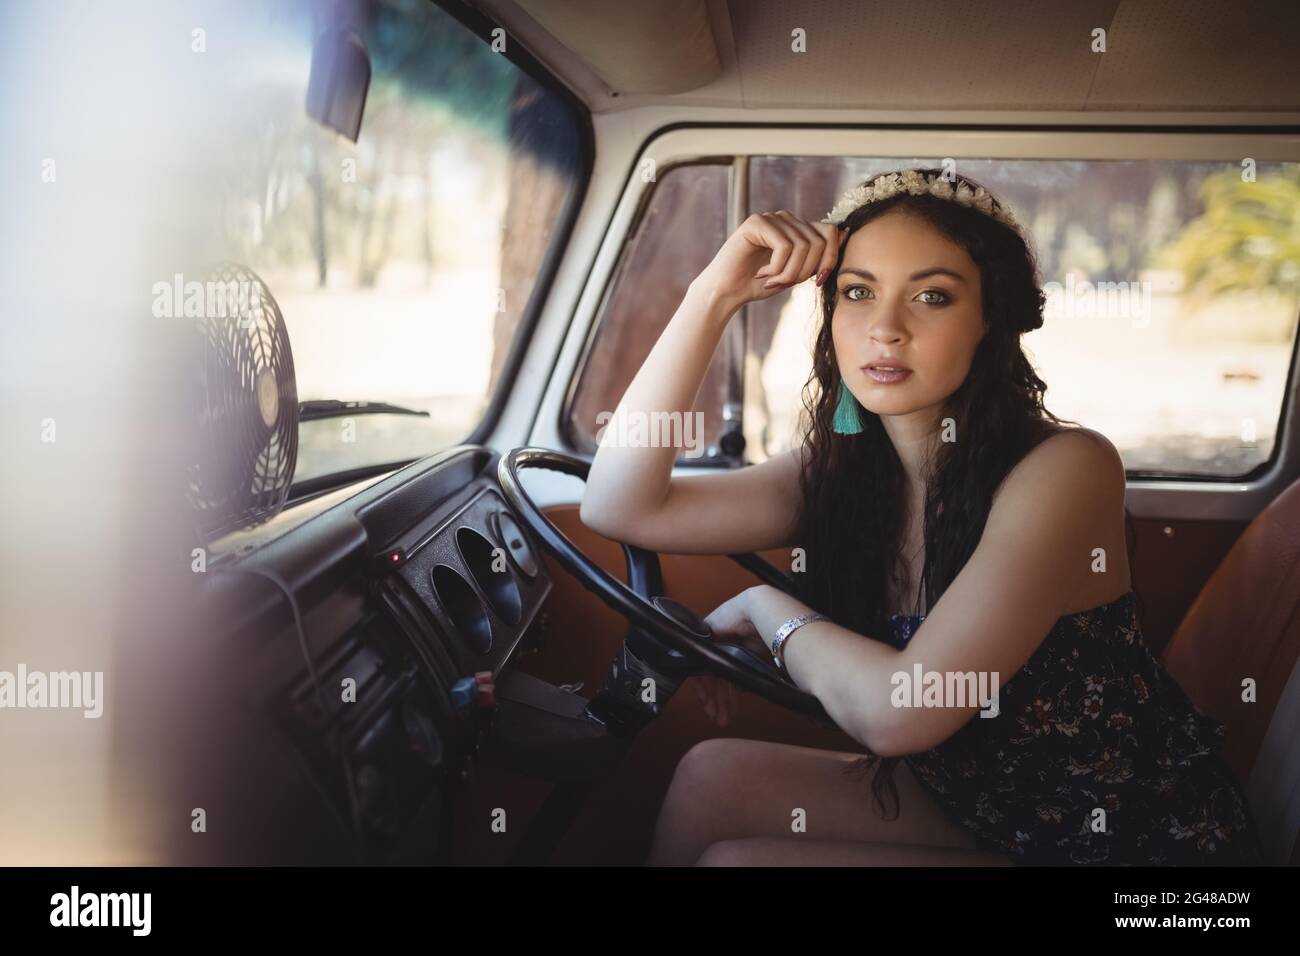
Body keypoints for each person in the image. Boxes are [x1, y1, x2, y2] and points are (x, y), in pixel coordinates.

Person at [579, 167, 1263, 867]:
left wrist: (766, 609)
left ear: (988, 322)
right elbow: (620, 504)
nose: (885, 329)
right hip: (988, 806)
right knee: (707, 781)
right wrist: (712, 296)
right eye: (857, 291)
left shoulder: (1067, 468)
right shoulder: (842, 476)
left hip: (1134, 848)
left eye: (932, 297)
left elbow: (904, 710)